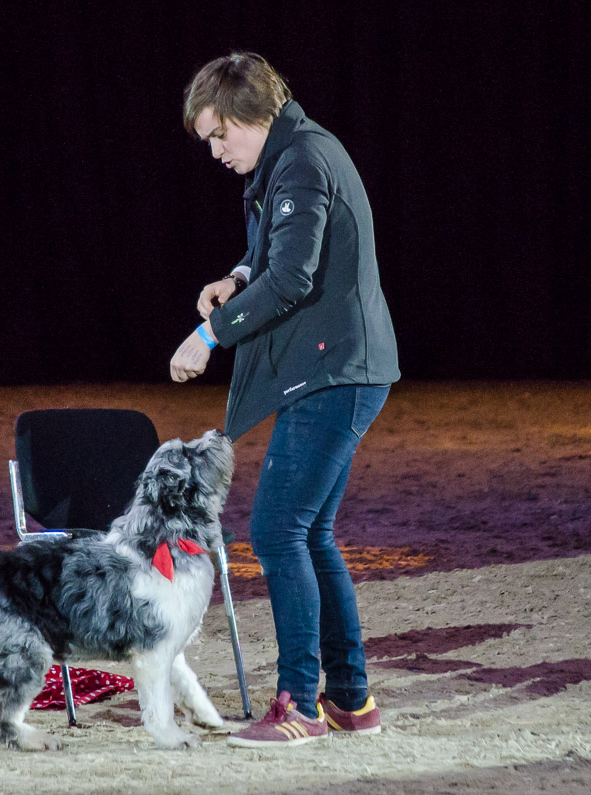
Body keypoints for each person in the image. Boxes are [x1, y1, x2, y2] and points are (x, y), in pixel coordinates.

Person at [169, 52, 400, 748]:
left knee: (275, 530)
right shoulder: (291, 157)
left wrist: (209, 333)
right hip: (341, 369)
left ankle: (299, 703)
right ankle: (350, 701)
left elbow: (295, 277)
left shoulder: (302, 158)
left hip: (337, 371)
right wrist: (239, 275)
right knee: (309, 533)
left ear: (249, 114)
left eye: (218, 134)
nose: (213, 150)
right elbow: (280, 251)